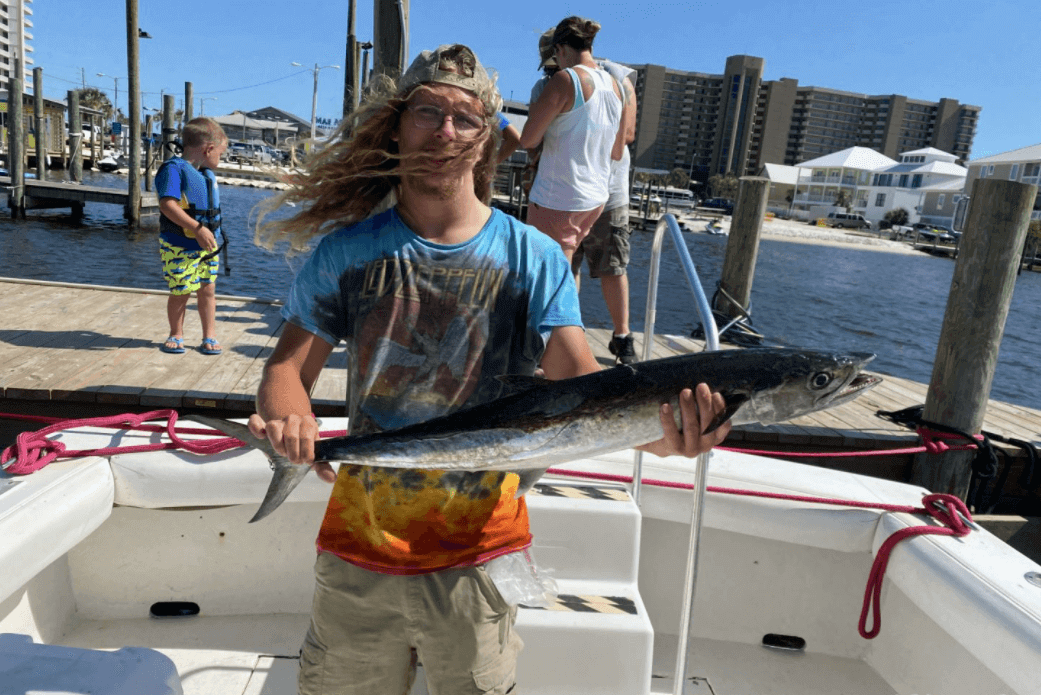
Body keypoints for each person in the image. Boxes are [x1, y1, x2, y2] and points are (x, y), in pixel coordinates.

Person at [249, 43, 731, 695]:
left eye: (465, 117)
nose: (444, 131)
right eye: (426, 111)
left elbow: (581, 387)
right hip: (358, 552)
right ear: (396, 124)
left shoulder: (531, 256)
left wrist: (665, 434)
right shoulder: (346, 254)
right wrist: (290, 419)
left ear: (486, 139)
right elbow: (286, 368)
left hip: (480, 560)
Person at [519, 16, 623, 265]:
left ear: (560, 49)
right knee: (562, 268)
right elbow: (617, 151)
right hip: (594, 199)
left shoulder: (565, 80)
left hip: (558, 198)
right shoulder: (615, 85)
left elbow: (528, 140)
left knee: (548, 274)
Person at [572, 58, 639, 364]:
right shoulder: (551, 83)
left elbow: (627, 135)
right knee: (565, 267)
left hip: (609, 190)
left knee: (613, 266)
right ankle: (570, 334)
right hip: (567, 191)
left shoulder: (618, 78)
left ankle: (622, 337)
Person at [155, 117, 227, 355]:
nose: (220, 159)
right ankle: (176, 333)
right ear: (208, 149)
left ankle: (210, 335)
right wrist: (197, 228)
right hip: (180, 245)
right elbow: (168, 205)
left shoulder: (204, 174)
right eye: (220, 153)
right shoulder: (173, 169)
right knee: (181, 290)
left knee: (208, 288)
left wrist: (205, 233)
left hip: (208, 245)